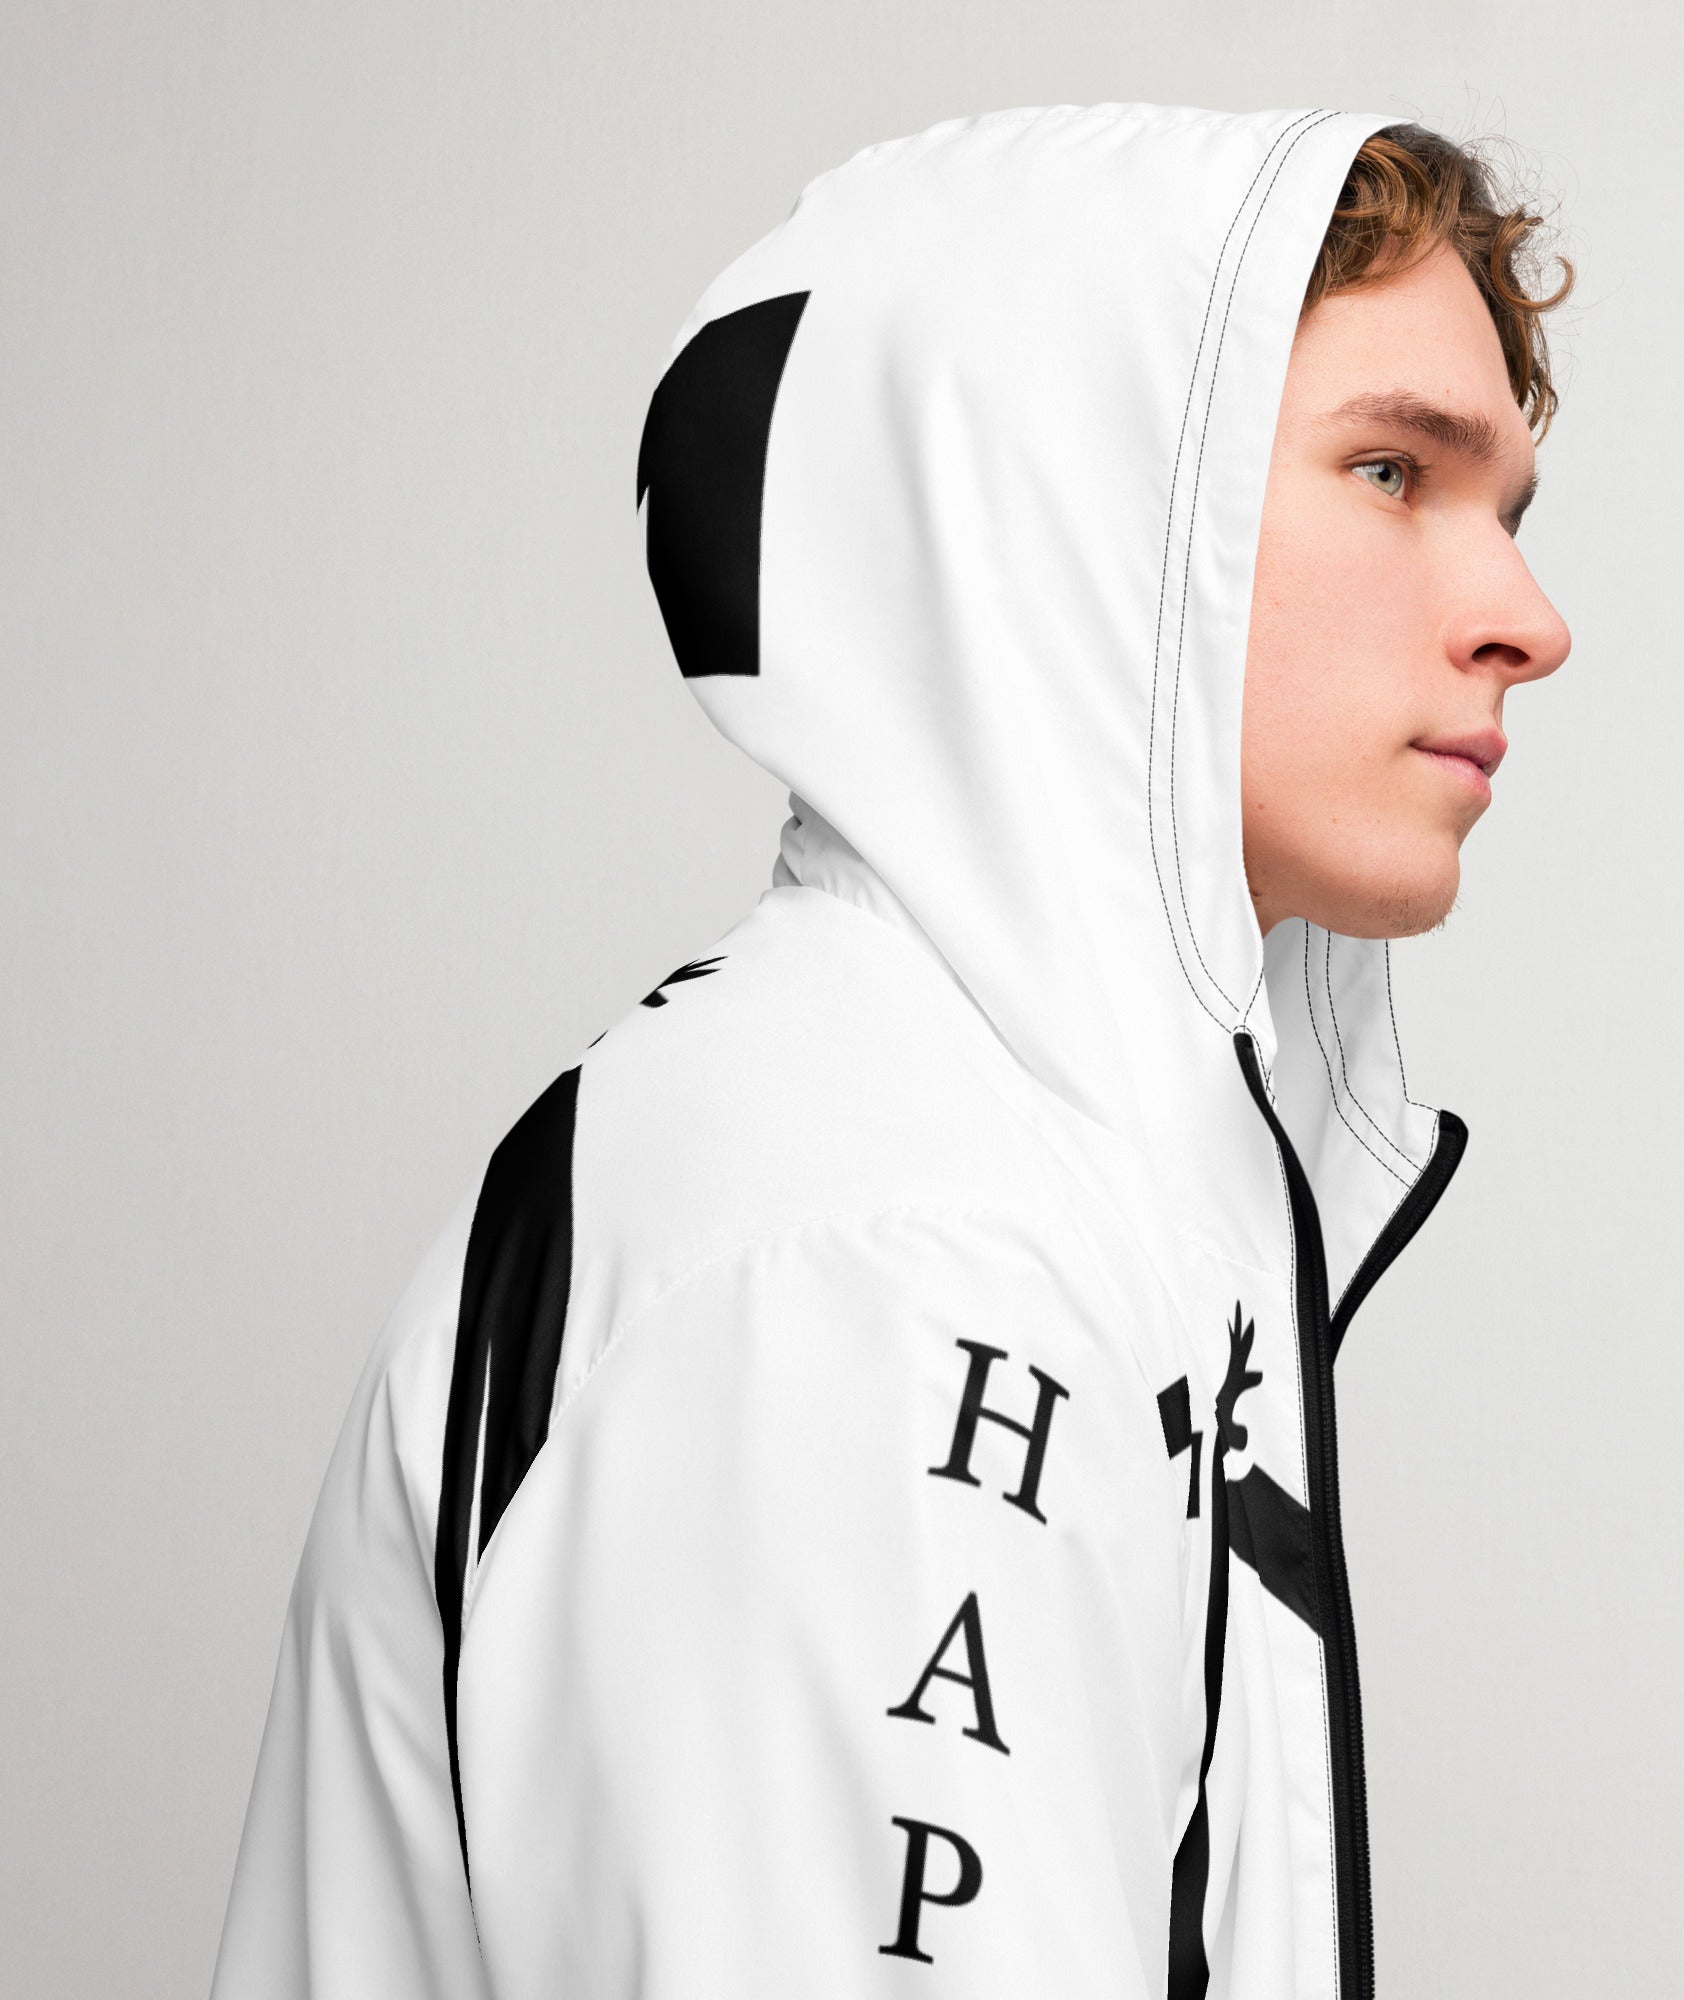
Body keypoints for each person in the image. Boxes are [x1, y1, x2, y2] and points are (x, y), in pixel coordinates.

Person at [211, 104, 1571, 1998]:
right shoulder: (895, 1249)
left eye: (1510, 511)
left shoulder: (985, 1170)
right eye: (1391, 472)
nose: (1526, 621)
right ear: (1068, 506)